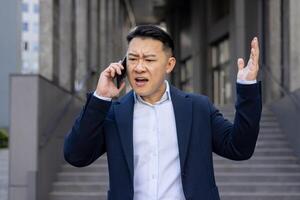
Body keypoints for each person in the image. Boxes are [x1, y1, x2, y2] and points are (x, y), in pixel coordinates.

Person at [64, 25, 262, 200]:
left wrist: (247, 87)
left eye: (149, 59)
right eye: (132, 59)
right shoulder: (114, 114)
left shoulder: (198, 108)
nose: (139, 67)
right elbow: (75, 155)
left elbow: (240, 148)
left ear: (169, 64)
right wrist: (100, 97)